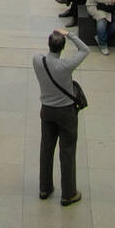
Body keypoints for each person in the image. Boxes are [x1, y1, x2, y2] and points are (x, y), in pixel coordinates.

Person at [33, 29, 89, 205]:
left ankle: (45, 188)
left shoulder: (37, 60)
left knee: (46, 149)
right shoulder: (65, 66)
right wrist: (69, 35)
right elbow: (85, 50)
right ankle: (68, 193)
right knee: (67, 151)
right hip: (66, 112)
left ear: (49, 44)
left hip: (47, 110)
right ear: (62, 48)